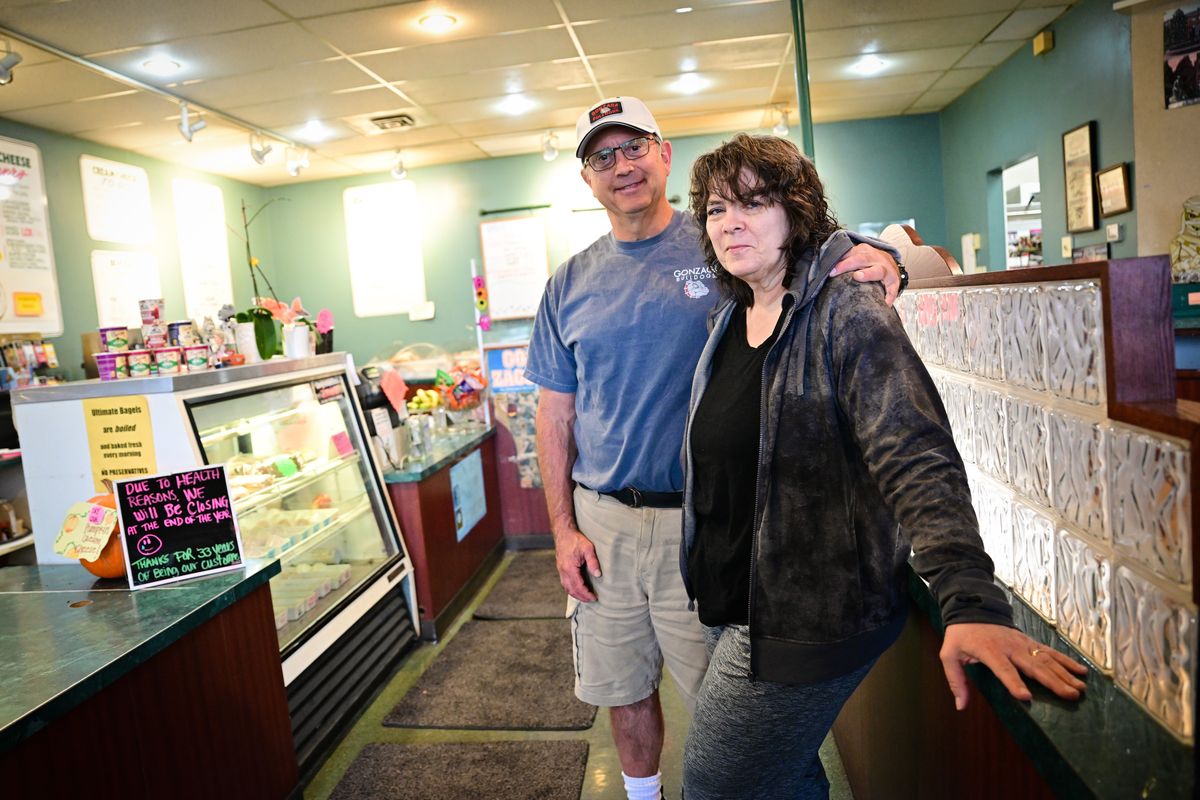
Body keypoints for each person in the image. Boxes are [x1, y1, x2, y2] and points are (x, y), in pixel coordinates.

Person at [679, 133, 1088, 799]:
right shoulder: (727, 318)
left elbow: (917, 454)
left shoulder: (846, 310)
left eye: (753, 203)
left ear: (797, 210)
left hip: (805, 617)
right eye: (718, 209)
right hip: (730, 597)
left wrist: (970, 597)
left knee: (714, 784)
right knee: (781, 775)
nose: (731, 222)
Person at [524, 97, 901, 800]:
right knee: (624, 688)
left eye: (634, 147)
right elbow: (555, 413)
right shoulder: (569, 283)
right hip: (601, 523)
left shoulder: (723, 244)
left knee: (736, 720)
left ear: (663, 153)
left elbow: (825, 254)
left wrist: (887, 253)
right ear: (587, 180)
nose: (622, 166)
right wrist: (563, 528)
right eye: (602, 157)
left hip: (704, 525)